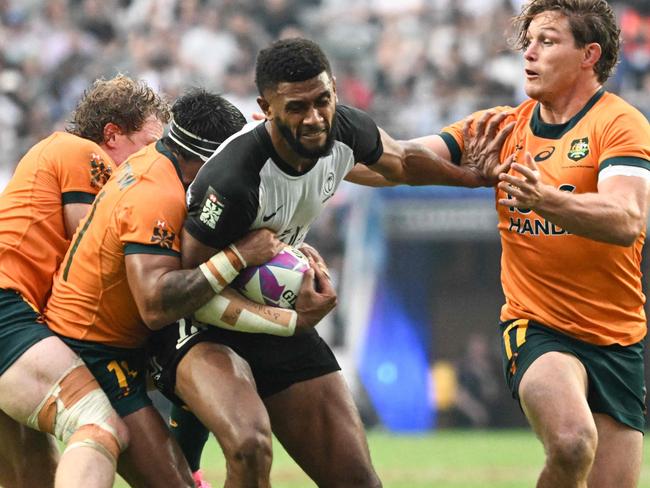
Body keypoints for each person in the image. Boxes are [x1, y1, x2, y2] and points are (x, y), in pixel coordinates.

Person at [149, 37, 514, 488]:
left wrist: (472, 178)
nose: (315, 117)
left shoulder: (344, 128)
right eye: (297, 107)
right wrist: (282, 318)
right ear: (265, 107)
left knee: (359, 482)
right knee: (249, 447)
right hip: (203, 326)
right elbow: (190, 289)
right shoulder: (233, 180)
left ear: (335, 90)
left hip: (280, 313)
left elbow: (401, 162)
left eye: (323, 100)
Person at [43, 88, 335, 488]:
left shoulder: (176, 171)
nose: (239, 173)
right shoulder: (154, 192)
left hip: (125, 341)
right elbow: (155, 305)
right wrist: (239, 257)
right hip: (95, 350)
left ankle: (192, 462)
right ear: (204, 159)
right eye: (232, 162)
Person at [416, 1, 650, 486]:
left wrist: (545, 200)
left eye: (546, 41)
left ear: (589, 54)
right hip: (538, 328)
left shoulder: (620, 124)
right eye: (529, 42)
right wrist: (322, 141)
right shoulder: (503, 128)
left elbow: (627, 218)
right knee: (570, 442)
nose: (529, 53)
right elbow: (400, 159)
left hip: (618, 340)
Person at [0, 74, 169, 488]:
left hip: (17, 312)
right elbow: (97, 251)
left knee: (32, 475)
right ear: (112, 135)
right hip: (7, 305)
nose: (156, 160)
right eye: (149, 145)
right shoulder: (84, 153)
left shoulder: (51, 152)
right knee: (98, 424)